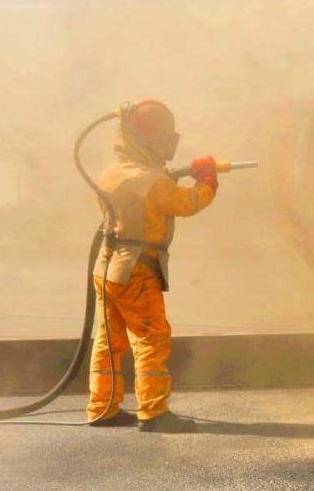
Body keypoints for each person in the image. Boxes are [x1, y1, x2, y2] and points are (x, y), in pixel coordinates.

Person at [87, 99, 217, 432]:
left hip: (106, 269)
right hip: (138, 272)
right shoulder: (155, 183)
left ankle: (103, 409)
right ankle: (154, 411)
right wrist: (207, 182)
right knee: (150, 339)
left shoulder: (111, 174)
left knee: (108, 342)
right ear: (144, 138)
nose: (166, 146)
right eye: (161, 138)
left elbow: (138, 194)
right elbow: (186, 203)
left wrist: (162, 175)